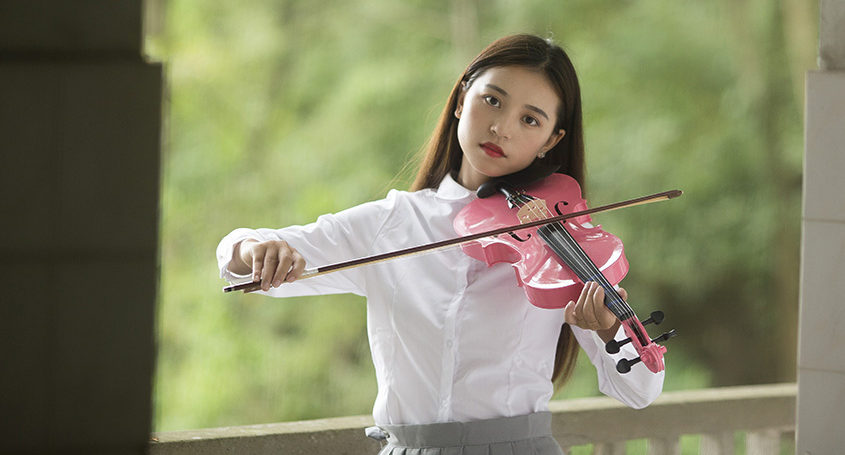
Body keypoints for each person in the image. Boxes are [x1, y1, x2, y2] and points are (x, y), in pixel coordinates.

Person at [217, 33, 664, 455]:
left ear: (552, 140)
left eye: (530, 119)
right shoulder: (392, 222)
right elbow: (237, 255)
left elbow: (640, 391)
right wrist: (256, 250)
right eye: (492, 100)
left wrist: (608, 328)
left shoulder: (560, 241)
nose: (501, 128)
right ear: (461, 98)